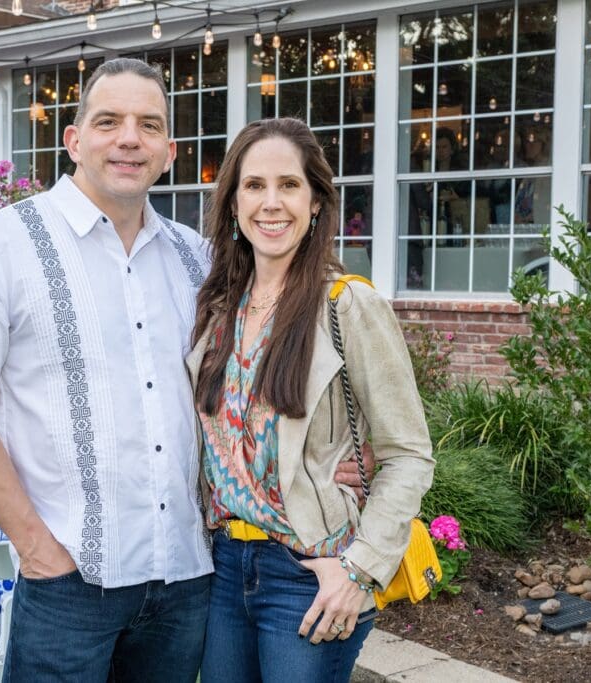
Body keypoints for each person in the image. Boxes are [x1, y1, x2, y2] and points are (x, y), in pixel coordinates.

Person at [0, 58, 214, 682]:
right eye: (109, 121)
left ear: (170, 152)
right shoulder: (1, 244)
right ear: (73, 140)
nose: (130, 139)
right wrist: (36, 546)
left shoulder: (196, 257)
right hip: (68, 581)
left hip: (185, 578)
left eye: (149, 125)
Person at [188, 117, 435, 682]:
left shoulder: (347, 305)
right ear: (233, 203)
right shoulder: (219, 309)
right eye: (254, 185)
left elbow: (408, 454)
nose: (271, 203)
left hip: (309, 575)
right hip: (222, 567)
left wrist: (359, 570)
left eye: (289, 185)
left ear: (316, 201)